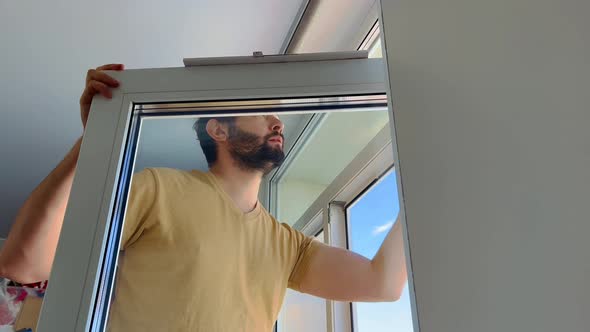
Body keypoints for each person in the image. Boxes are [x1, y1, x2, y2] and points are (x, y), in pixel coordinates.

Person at [0, 64, 408, 331]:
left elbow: (383, 284)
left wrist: (426, 164)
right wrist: (92, 142)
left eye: (277, 113)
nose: (276, 119)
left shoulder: (289, 245)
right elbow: (24, 262)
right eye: (261, 110)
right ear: (219, 130)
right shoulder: (157, 189)